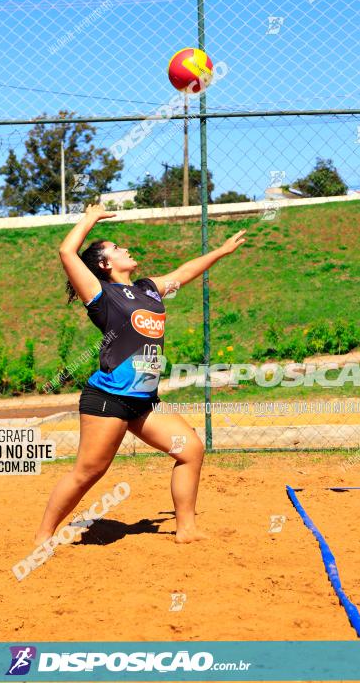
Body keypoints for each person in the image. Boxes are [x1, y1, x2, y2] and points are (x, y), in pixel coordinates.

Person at [34, 203, 246, 545]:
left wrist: (220, 252)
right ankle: (43, 535)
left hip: (145, 402)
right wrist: (90, 218)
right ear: (105, 264)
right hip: (109, 399)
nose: (126, 249)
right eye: (117, 249)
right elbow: (66, 251)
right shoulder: (102, 294)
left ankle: (186, 529)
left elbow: (184, 272)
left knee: (190, 449)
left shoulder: (147, 289)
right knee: (90, 471)